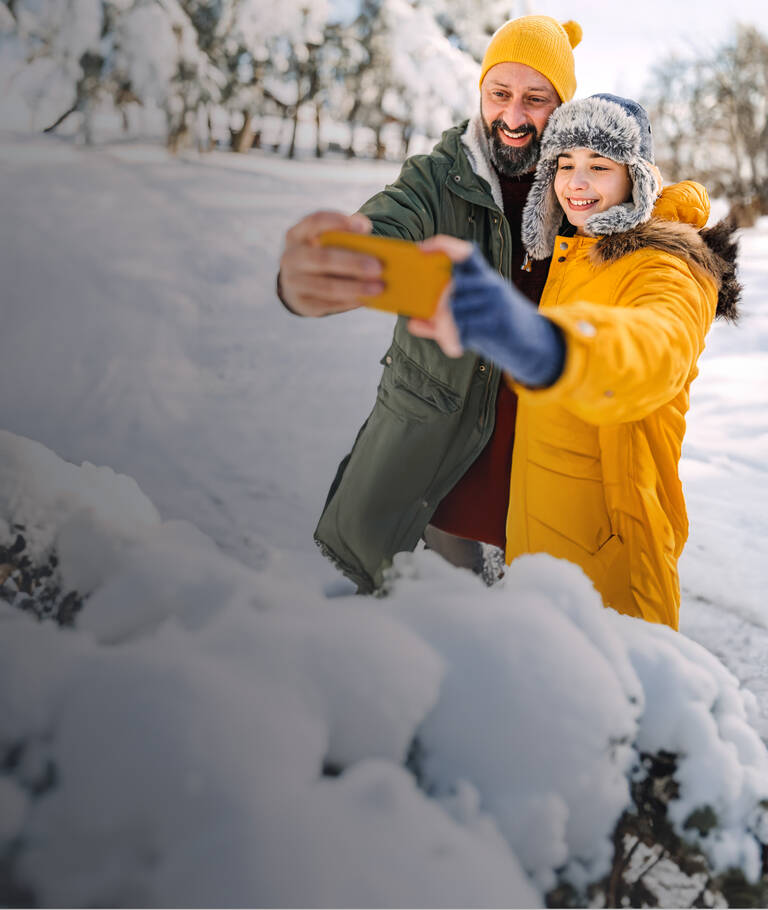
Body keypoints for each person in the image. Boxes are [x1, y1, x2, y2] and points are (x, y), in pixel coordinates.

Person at [408, 94, 740, 628]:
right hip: (540, 548)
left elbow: (653, 349)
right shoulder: (571, 250)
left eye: (599, 166)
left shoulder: (667, 266)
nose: (576, 183)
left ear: (636, 176)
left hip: (611, 564)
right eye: (565, 164)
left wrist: (548, 346)